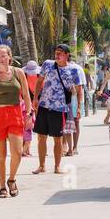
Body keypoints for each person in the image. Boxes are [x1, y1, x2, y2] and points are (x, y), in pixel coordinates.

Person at [0, 44, 32, 197]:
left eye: (4, 56)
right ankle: (2, 187)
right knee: (1, 155)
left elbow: (26, 94)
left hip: (15, 113)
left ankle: (11, 179)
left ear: (9, 56)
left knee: (17, 152)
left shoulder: (19, 73)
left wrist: (29, 113)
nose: (2, 59)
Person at [33, 44, 83, 175]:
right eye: (56, 52)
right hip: (44, 106)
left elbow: (79, 90)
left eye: (60, 52)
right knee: (41, 137)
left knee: (58, 138)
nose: (57, 54)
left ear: (67, 55)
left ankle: (57, 166)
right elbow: (39, 82)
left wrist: (78, 107)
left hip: (60, 108)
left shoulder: (73, 70)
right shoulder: (47, 64)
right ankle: (42, 165)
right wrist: (35, 98)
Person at [21, 61, 39, 155]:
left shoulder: (39, 76)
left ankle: (27, 149)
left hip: (37, 104)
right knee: (26, 127)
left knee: (30, 127)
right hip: (24, 105)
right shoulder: (23, 76)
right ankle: (24, 149)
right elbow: (21, 93)